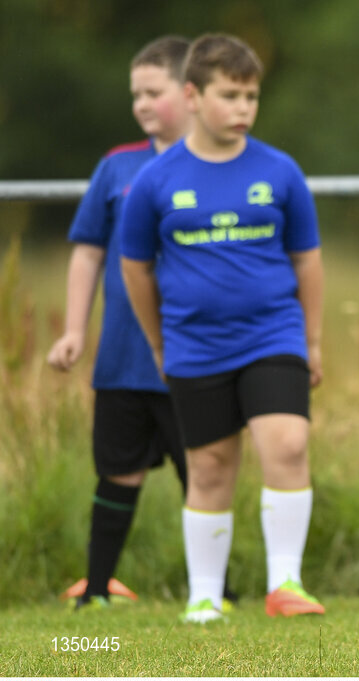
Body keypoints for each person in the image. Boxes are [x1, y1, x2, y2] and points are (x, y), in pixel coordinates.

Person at [119, 33, 325, 624]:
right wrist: (160, 341)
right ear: (192, 95)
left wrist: (311, 340)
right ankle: (204, 594)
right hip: (194, 345)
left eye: (252, 97)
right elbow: (135, 265)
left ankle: (286, 584)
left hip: (274, 335)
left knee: (287, 443)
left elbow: (307, 259)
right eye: (230, 95)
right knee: (209, 466)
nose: (243, 109)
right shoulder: (156, 181)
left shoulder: (280, 171)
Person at [46, 35, 241, 612]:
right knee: (116, 476)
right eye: (135, 94)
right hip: (125, 360)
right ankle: (98, 589)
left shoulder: (225, 165)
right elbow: (87, 252)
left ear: (189, 94)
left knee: (203, 475)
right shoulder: (116, 168)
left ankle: (215, 591)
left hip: (196, 359)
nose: (140, 103)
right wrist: (75, 330)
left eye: (152, 92)